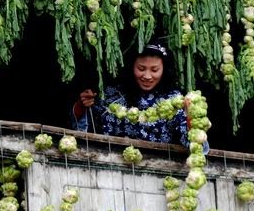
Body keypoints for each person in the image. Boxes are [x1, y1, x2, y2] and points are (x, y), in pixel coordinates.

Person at [71, 41, 209, 152]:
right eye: (141, 69)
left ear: (164, 70)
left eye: (154, 70)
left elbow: (197, 147)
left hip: (158, 171)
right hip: (108, 166)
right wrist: (82, 105)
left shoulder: (174, 100)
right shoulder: (111, 95)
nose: (147, 76)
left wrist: (191, 117)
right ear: (132, 67)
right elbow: (82, 131)